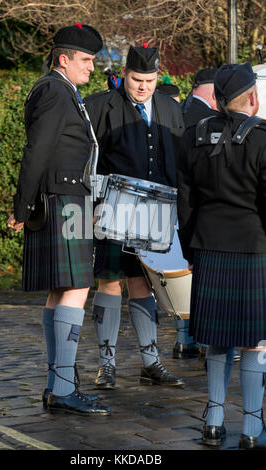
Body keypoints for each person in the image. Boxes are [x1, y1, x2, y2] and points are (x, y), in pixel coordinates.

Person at [7, 24, 110, 416]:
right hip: (66, 201)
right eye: (85, 60)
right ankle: (64, 386)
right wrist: (22, 205)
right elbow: (37, 151)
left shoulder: (61, 89)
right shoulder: (54, 91)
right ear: (63, 59)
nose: (91, 68)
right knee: (78, 287)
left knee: (60, 290)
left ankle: (58, 383)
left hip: (66, 200)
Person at [85, 43, 185, 390]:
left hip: (157, 210)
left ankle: (151, 362)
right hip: (115, 207)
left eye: (150, 80)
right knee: (111, 281)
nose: (143, 86)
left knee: (146, 283)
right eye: (137, 79)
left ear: (158, 78)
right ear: (124, 75)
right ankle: (107, 363)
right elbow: (88, 159)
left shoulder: (170, 110)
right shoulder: (100, 106)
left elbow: (180, 159)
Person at [177, 62, 266, 449]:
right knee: (254, 341)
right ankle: (251, 428)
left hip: (208, 246)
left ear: (215, 99)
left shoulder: (193, 136)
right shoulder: (264, 139)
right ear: (253, 97)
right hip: (254, 248)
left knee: (217, 339)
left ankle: (213, 421)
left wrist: (189, 248)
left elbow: (184, 200)